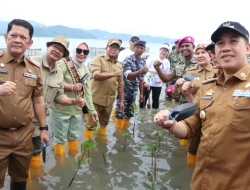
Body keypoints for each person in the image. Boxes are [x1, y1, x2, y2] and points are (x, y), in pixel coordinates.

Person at [154, 21, 250, 189]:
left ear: (247, 48)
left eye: (233, 41)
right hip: (201, 182)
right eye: (220, 43)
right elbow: (191, 126)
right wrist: (171, 124)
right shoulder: (208, 87)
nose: (226, 47)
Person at [0, 19, 49, 190]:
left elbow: (38, 100)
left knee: (20, 178)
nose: (18, 40)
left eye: (23, 37)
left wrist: (43, 129)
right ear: (6, 37)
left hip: (23, 135)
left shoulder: (34, 69)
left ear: (30, 43)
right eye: (13, 35)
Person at [30, 36, 85, 160]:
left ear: (63, 55)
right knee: (18, 156)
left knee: (36, 152)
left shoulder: (58, 73)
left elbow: (59, 97)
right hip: (21, 120)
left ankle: (35, 178)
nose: (57, 51)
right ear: (48, 46)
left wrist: (74, 101)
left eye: (61, 50)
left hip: (39, 123)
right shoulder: (31, 62)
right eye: (55, 47)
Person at [51, 41, 98, 153]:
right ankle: (61, 164)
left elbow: (87, 92)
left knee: (74, 136)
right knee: (60, 140)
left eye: (85, 51)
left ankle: (72, 161)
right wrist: (71, 87)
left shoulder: (85, 68)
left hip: (76, 110)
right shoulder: (62, 63)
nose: (82, 54)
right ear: (73, 51)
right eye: (79, 50)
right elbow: (53, 82)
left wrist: (92, 111)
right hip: (61, 110)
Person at [179, 44, 217, 165]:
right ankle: (190, 171)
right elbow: (176, 93)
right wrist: (178, 86)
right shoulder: (191, 72)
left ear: (210, 55)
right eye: (198, 53)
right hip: (195, 112)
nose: (200, 55)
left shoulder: (219, 71)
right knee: (193, 147)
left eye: (203, 53)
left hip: (214, 114)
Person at [84, 38, 124, 138]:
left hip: (109, 101)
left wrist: (122, 101)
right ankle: (87, 150)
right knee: (91, 125)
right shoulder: (98, 59)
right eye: (112, 47)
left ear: (119, 50)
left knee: (104, 124)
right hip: (95, 100)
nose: (114, 49)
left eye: (116, 48)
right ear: (106, 48)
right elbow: (96, 76)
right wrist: (114, 73)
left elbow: (120, 84)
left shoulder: (119, 65)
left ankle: (101, 146)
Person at [115, 41, 148, 129]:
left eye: (141, 48)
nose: (139, 50)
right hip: (124, 92)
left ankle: (125, 133)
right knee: (120, 113)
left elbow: (141, 79)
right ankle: (118, 135)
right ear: (134, 48)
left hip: (134, 93)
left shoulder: (143, 61)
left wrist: (141, 94)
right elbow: (128, 75)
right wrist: (141, 70)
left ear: (144, 50)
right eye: (137, 47)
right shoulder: (128, 59)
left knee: (129, 113)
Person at [140, 44, 170, 109]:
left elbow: (167, 73)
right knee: (144, 99)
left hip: (158, 84)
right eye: (162, 50)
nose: (164, 52)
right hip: (148, 81)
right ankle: (141, 115)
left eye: (166, 51)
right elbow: (145, 67)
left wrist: (162, 79)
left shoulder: (167, 62)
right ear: (159, 50)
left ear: (167, 53)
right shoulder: (152, 58)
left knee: (156, 100)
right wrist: (154, 71)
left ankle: (154, 115)